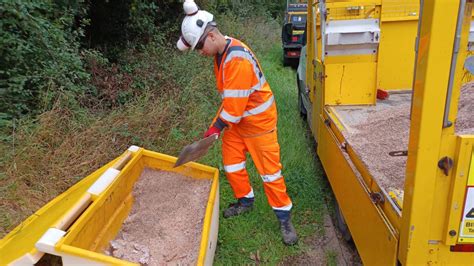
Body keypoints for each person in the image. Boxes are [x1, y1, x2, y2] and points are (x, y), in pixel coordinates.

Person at [176, 0, 297, 245]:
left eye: (200, 46)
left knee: (270, 174)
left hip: (258, 124)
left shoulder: (236, 60)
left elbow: (234, 108)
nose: (200, 52)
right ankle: (245, 201)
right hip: (237, 123)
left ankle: (284, 218)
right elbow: (230, 100)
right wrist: (214, 128)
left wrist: (216, 128)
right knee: (232, 166)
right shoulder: (221, 54)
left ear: (210, 36)